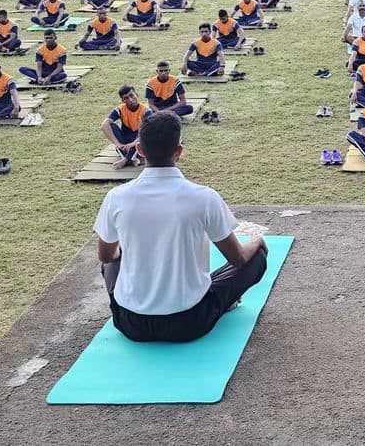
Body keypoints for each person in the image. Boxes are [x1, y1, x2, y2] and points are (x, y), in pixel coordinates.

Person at [95, 113, 261, 342]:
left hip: (131, 323)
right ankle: (223, 302)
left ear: (140, 149)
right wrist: (257, 242)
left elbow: (105, 255)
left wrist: (122, 252)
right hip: (190, 322)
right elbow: (239, 260)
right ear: (179, 151)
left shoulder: (116, 197)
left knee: (112, 262)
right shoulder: (204, 197)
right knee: (257, 257)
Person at [103, 85, 147, 168]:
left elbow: (148, 132)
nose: (130, 100)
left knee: (146, 133)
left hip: (140, 140)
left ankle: (126, 159)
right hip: (125, 142)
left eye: (132, 95)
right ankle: (132, 158)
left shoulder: (145, 110)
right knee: (111, 125)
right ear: (123, 100)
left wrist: (133, 143)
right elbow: (104, 124)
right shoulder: (120, 109)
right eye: (126, 98)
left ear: (136, 95)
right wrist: (117, 143)